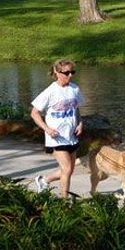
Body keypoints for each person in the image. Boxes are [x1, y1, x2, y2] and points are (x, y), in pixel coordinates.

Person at [30, 59, 84, 198]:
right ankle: (64, 203)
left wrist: (80, 123)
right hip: (56, 138)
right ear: (57, 72)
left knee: (69, 170)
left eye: (72, 72)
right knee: (66, 170)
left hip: (71, 136)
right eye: (66, 73)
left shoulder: (74, 89)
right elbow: (34, 113)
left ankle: (44, 181)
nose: (70, 75)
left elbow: (76, 109)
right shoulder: (50, 92)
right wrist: (46, 129)